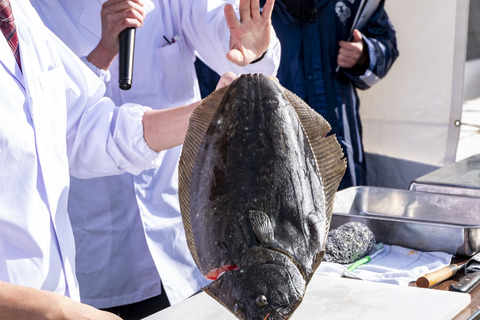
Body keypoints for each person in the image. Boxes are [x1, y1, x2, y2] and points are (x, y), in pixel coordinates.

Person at [0, 0, 274, 319]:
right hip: (90, 269)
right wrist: (53, 310)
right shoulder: (41, 7)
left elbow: (78, 124)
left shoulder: (18, 13)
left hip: (171, 243)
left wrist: (203, 116)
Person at [266, 0, 399, 189]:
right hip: (276, 136)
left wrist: (365, 54)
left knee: (344, 211)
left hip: (340, 135)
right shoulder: (242, 4)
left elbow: (386, 42)